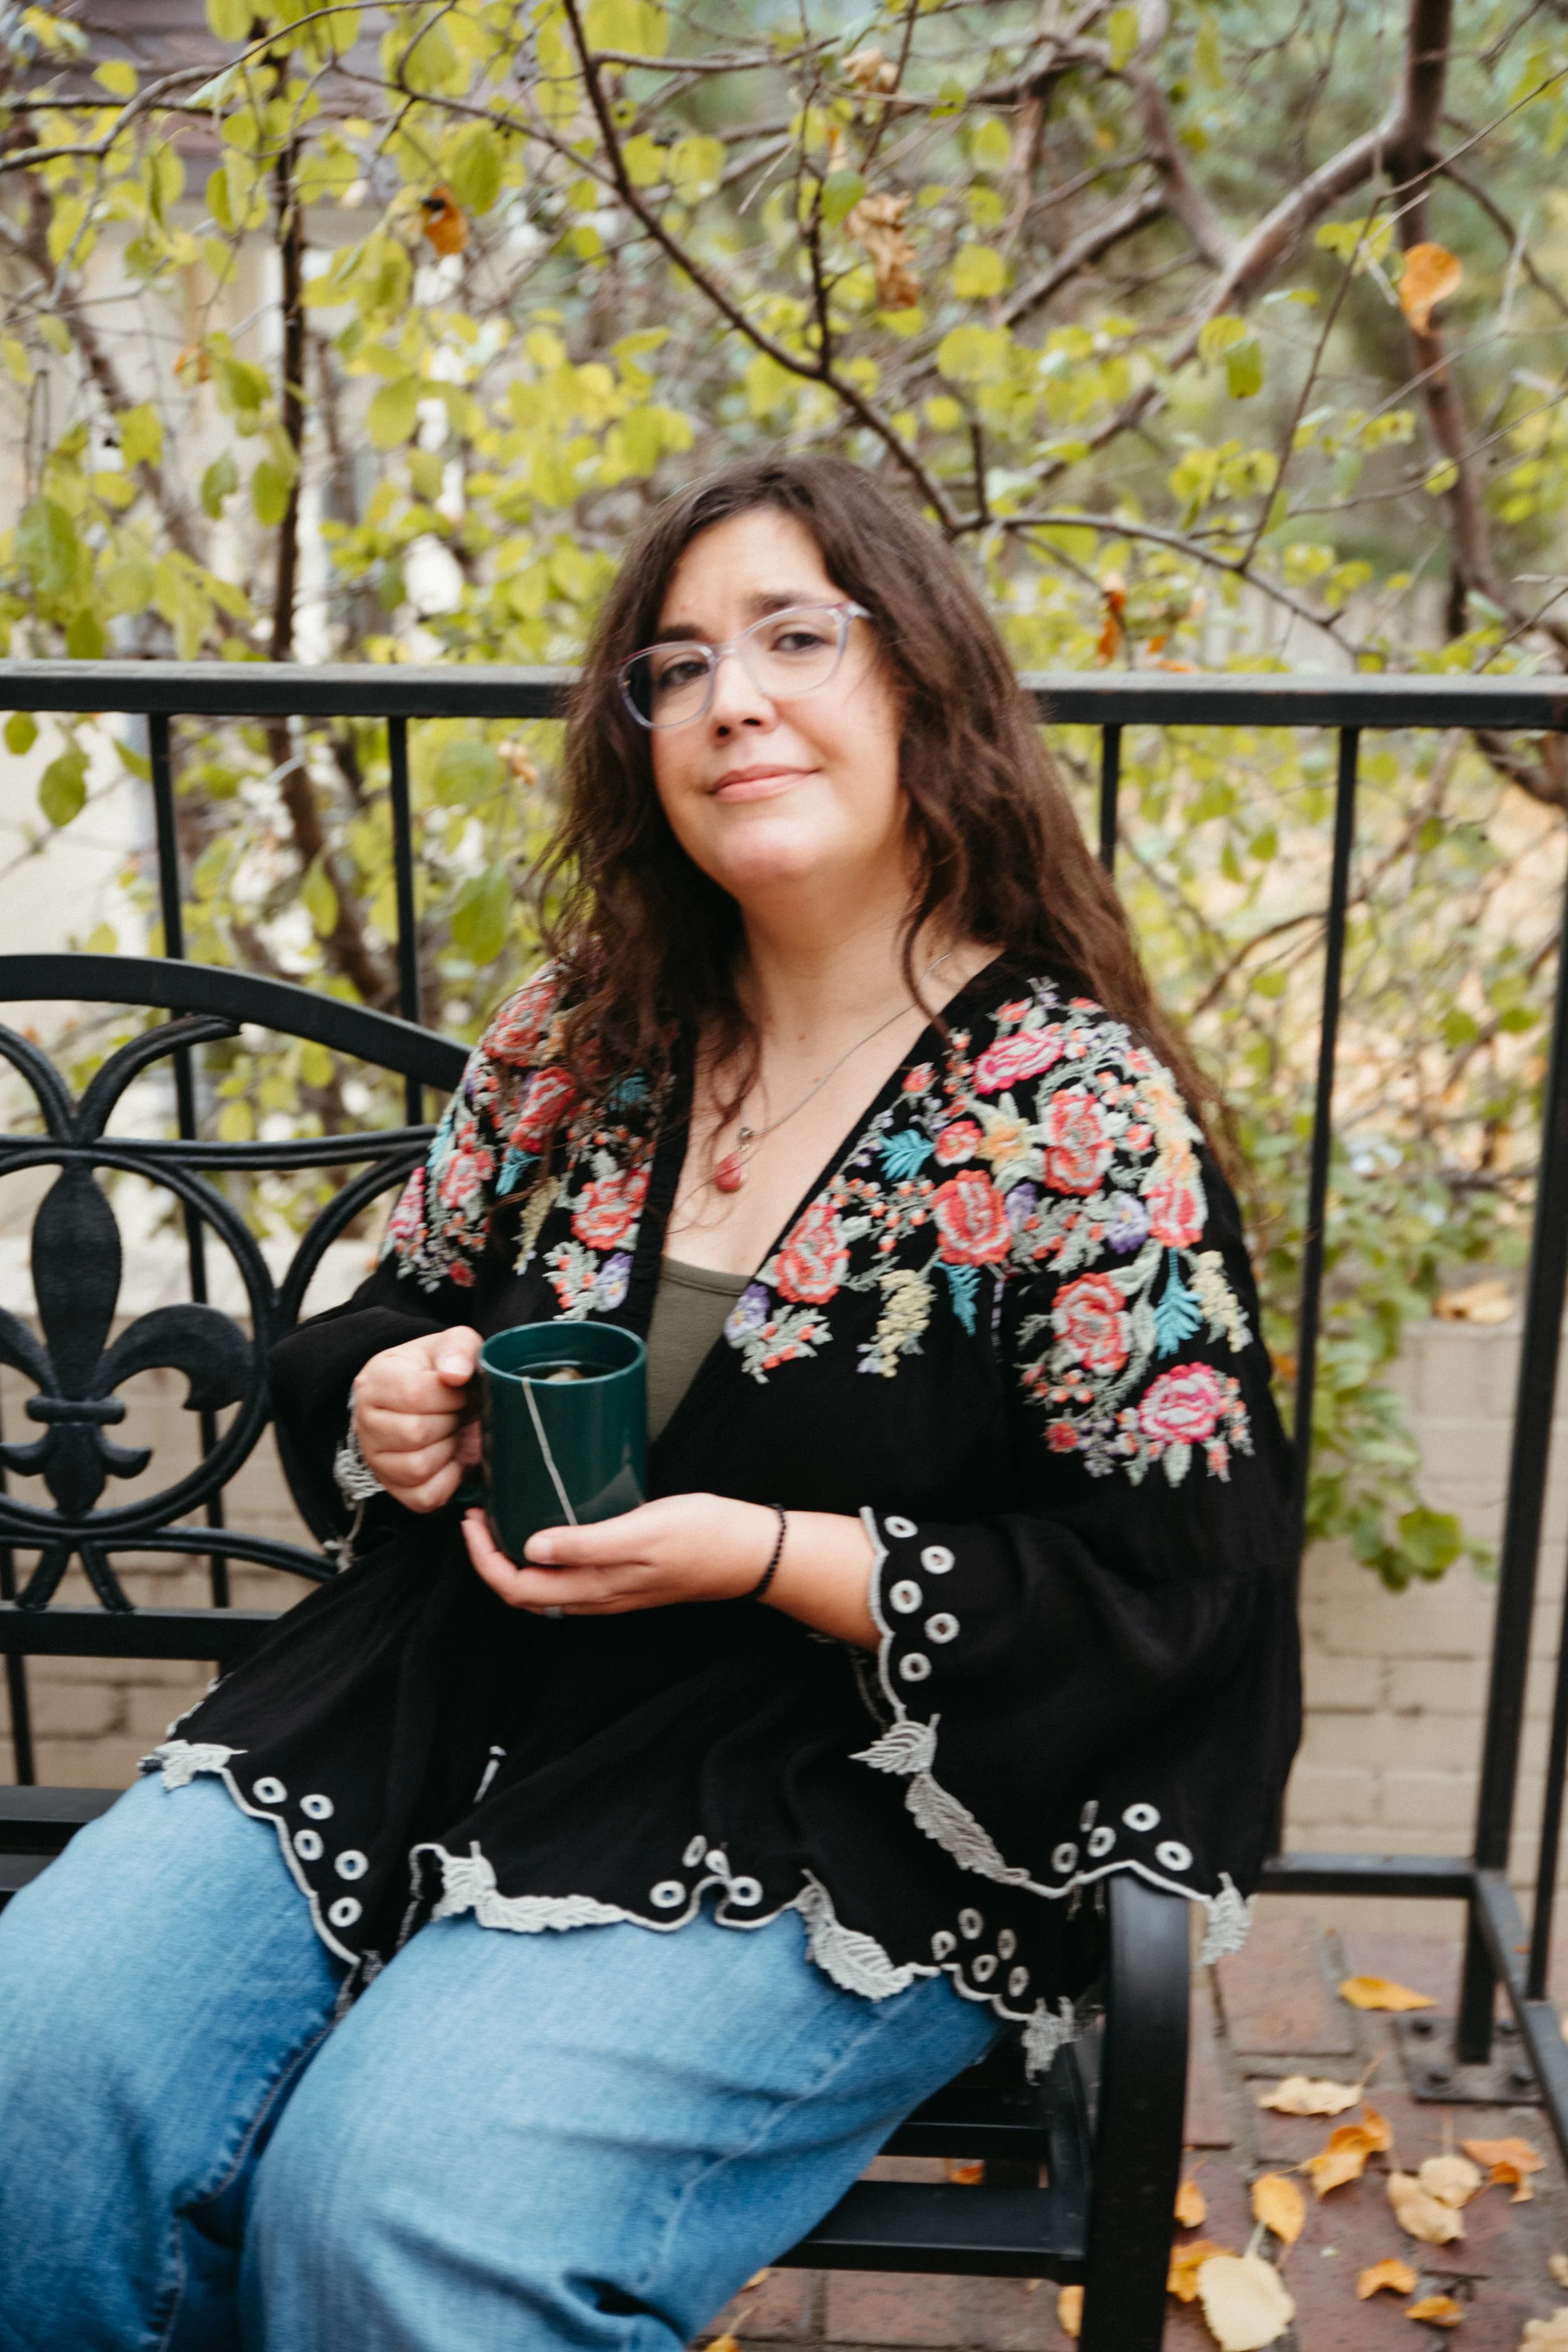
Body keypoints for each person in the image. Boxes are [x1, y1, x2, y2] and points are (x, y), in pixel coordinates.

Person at [0, 455, 1298, 2349]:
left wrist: (771, 1555)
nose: (729, 700)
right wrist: (389, 1390)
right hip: (431, 1695)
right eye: (674, 667)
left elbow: (1171, 1589)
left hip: (823, 1786)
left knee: (396, 2209)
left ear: (924, 686)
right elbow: (393, 1310)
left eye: (792, 638)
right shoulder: (581, 1032)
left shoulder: (1069, 1116)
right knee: (39, 2070)